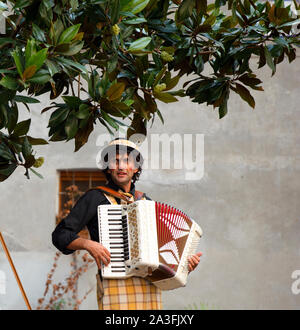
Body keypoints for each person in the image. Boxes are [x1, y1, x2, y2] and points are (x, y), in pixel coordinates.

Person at [52, 138, 202, 310]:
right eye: (116, 161)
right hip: (114, 287)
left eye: (127, 161)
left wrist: (183, 267)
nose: (121, 166)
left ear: (136, 167)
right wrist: (87, 244)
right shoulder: (94, 198)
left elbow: (160, 261)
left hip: (148, 288)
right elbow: (60, 235)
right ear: (108, 167)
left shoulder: (146, 202)